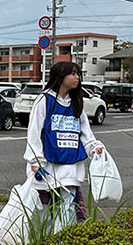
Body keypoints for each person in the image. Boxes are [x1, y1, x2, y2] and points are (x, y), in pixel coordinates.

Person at [24, 61, 104, 231]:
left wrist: (93, 147)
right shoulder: (44, 100)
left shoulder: (76, 102)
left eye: (78, 74)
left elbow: (85, 133)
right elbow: (34, 133)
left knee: (68, 209)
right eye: (72, 73)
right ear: (60, 77)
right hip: (47, 166)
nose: (77, 77)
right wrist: (35, 161)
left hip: (71, 166)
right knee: (44, 211)